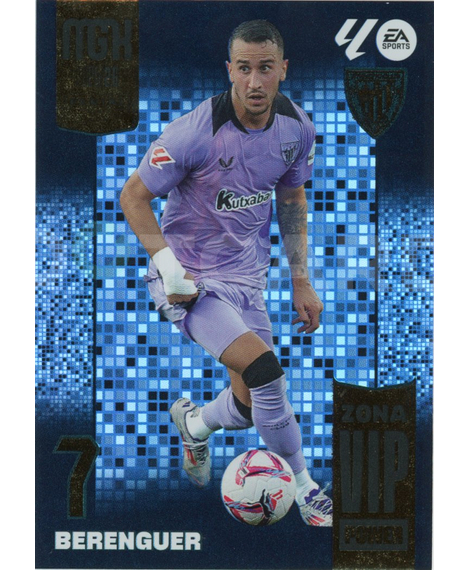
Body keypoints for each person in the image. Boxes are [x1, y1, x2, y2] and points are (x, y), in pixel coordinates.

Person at [120, 19, 332, 526]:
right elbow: (133, 196)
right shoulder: (193, 133)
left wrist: (301, 280)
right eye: (244, 68)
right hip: (191, 283)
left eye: (265, 68)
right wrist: (168, 268)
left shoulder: (297, 129)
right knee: (266, 374)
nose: (255, 81)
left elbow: (292, 199)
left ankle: (194, 424)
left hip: (248, 280)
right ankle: (305, 488)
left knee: (249, 405)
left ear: (284, 69)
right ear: (229, 71)